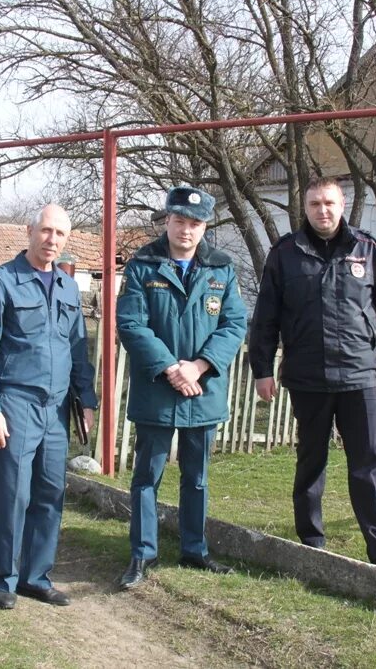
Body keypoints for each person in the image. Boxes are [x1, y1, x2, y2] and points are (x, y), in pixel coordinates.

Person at [248, 176, 376, 577]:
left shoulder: (367, 249)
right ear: (304, 208)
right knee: (311, 461)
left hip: (361, 376)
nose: (322, 211)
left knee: (368, 465)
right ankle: (311, 543)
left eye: (329, 203)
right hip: (307, 378)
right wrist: (262, 370)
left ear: (341, 205)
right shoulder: (285, 254)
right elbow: (266, 318)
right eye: (314, 204)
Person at [0, 204, 97, 610]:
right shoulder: (1, 282)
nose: (51, 240)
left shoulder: (69, 287)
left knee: (50, 492)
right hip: (14, 404)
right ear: (29, 230)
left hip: (56, 409)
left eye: (60, 234)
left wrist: (86, 400)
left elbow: (79, 349)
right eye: (45, 231)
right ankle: (4, 579)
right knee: (12, 494)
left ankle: (36, 576)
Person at [115, 186, 247, 590]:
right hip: (158, 388)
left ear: (204, 226)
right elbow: (131, 324)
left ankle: (194, 549)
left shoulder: (222, 268)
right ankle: (142, 553)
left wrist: (200, 366)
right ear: (166, 221)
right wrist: (173, 367)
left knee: (198, 477)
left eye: (195, 223)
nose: (186, 230)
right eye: (179, 221)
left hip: (203, 391)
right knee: (146, 477)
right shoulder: (142, 265)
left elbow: (234, 324)